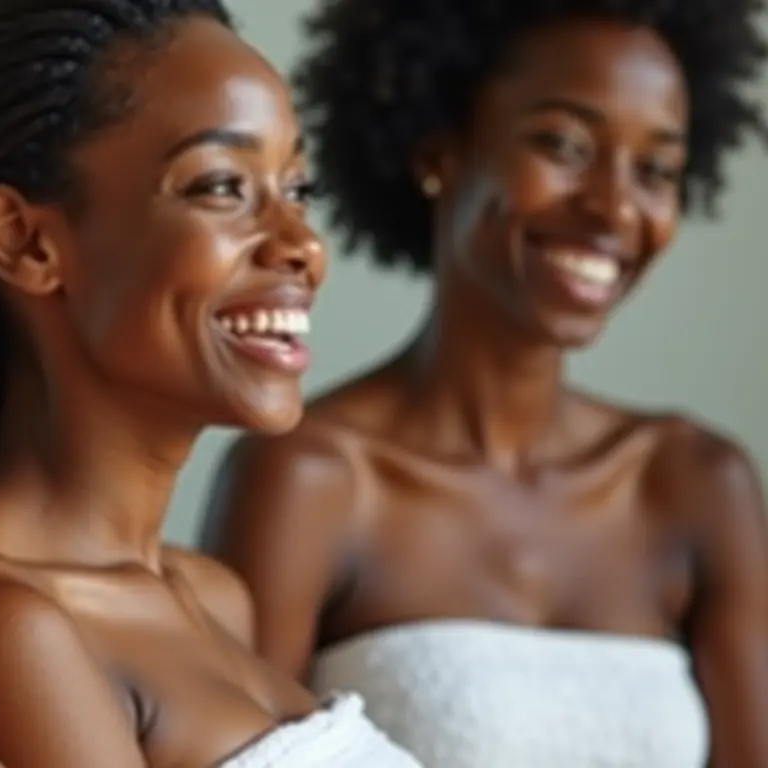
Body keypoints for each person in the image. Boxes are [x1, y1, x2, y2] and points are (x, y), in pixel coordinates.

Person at [0, 0, 420, 765]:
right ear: (27, 242)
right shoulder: (1, 622)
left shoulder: (213, 597)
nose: (301, 244)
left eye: (297, 190)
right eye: (220, 187)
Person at [202, 0, 768, 766]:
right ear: (439, 149)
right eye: (564, 144)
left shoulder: (698, 483)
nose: (612, 206)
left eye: (656, 169)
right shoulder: (310, 480)